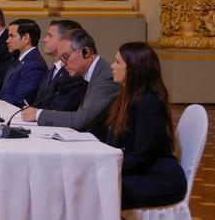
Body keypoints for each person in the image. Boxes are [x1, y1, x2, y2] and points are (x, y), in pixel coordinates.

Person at [106, 42, 188, 209]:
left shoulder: (149, 103)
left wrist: (106, 167)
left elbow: (142, 157)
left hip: (158, 178)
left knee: (98, 189)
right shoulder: (124, 99)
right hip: (139, 172)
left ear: (135, 68)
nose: (112, 66)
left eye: (118, 62)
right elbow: (114, 144)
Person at [21, 29, 120, 140]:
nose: (63, 65)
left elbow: (81, 120)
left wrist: (38, 114)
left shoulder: (106, 78)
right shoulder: (87, 74)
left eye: (65, 57)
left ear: (85, 52)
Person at [32, 18, 89, 112]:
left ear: (66, 40)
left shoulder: (74, 73)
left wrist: (36, 113)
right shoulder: (52, 70)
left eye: (50, 36)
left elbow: (61, 109)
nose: (44, 40)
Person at [0, 18, 47, 107]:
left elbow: (19, 101)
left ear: (26, 38)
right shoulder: (19, 60)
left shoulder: (35, 65)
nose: (7, 40)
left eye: (12, 36)